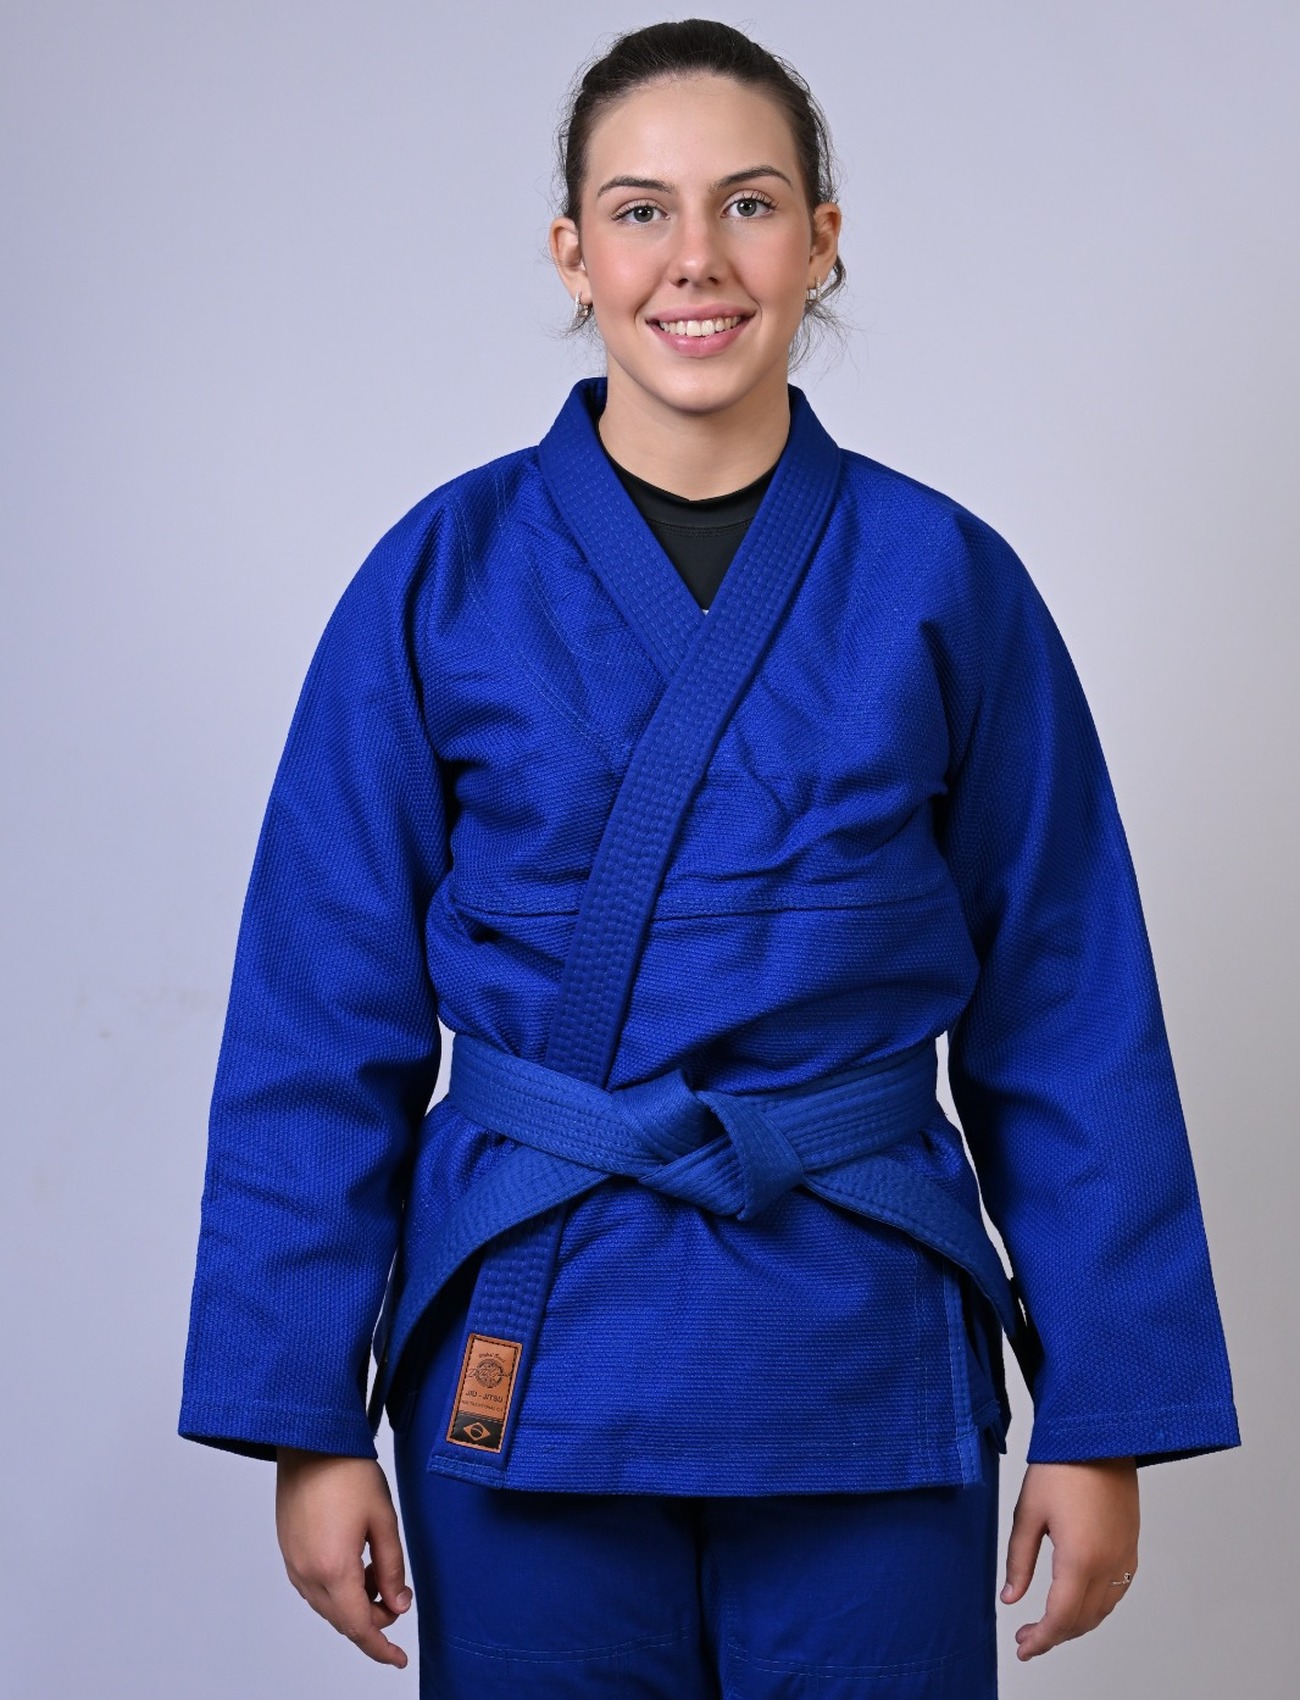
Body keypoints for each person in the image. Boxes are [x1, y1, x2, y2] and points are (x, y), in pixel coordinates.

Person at [179, 19, 1240, 1698]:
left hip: (861, 1336)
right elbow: (319, 1014)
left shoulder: (946, 581)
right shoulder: (439, 579)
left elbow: (1067, 1003)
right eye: (640, 210)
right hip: (536, 1327)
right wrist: (306, 1418)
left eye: (749, 204)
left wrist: (1102, 1412)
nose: (697, 259)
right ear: (573, 252)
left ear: (823, 238)